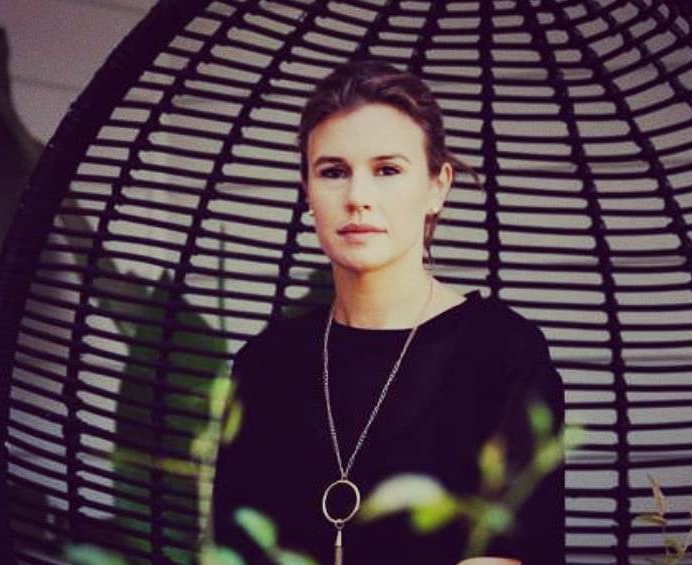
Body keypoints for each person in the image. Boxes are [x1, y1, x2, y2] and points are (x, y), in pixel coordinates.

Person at [210, 60, 565, 564]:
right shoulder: (265, 364)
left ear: (438, 186)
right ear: (307, 191)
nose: (358, 197)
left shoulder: (502, 353)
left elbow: (506, 554)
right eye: (333, 172)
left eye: (387, 170)